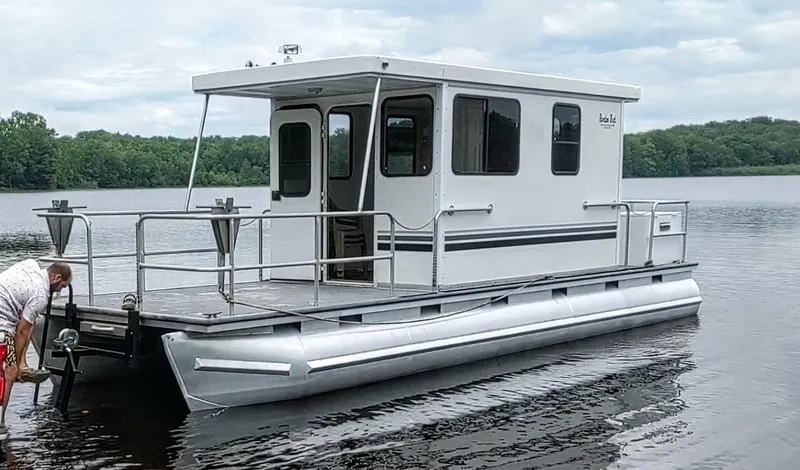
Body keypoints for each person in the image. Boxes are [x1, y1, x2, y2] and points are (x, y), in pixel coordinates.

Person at [0, 259, 71, 434]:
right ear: (56, 278)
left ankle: (23, 365)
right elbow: (22, 332)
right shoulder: (40, 296)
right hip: (2, 324)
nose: (59, 292)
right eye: (62, 286)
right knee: (8, 372)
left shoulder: (31, 265)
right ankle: (1, 423)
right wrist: (14, 362)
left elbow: (27, 325)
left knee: (32, 320)